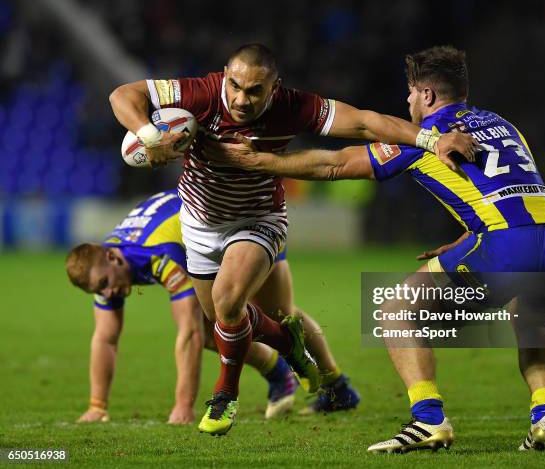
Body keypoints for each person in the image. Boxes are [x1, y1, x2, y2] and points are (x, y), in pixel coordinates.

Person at [206, 46, 545, 452]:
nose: (406, 103)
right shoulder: (503, 125)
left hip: (509, 244)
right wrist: (469, 236)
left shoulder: (429, 138)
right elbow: (513, 194)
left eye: (410, 94)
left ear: (426, 95)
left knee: (395, 311)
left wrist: (258, 162)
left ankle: (428, 421)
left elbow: (334, 166)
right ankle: (544, 417)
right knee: (530, 322)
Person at [108, 43, 477, 436]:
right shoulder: (200, 93)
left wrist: (430, 140)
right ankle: (294, 348)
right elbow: (122, 95)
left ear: (274, 88)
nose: (241, 99)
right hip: (199, 225)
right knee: (222, 321)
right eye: (235, 86)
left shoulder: (294, 106)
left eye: (254, 91)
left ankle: (224, 397)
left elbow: (366, 123)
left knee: (229, 303)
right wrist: (150, 136)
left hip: (258, 219)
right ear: (225, 76)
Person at [66, 189, 301, 423]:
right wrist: (97, 406)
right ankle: (287, 375)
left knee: (274, 313)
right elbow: (105, 338)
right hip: (208, 235)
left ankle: (327, 382)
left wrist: (183, 405)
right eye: (98, 290)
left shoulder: (157, 254)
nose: (106, 293)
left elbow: (189, 332)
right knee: (217, 328)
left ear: (113, 259)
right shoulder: (109, 264)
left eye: (105, 284)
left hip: (245, 222)